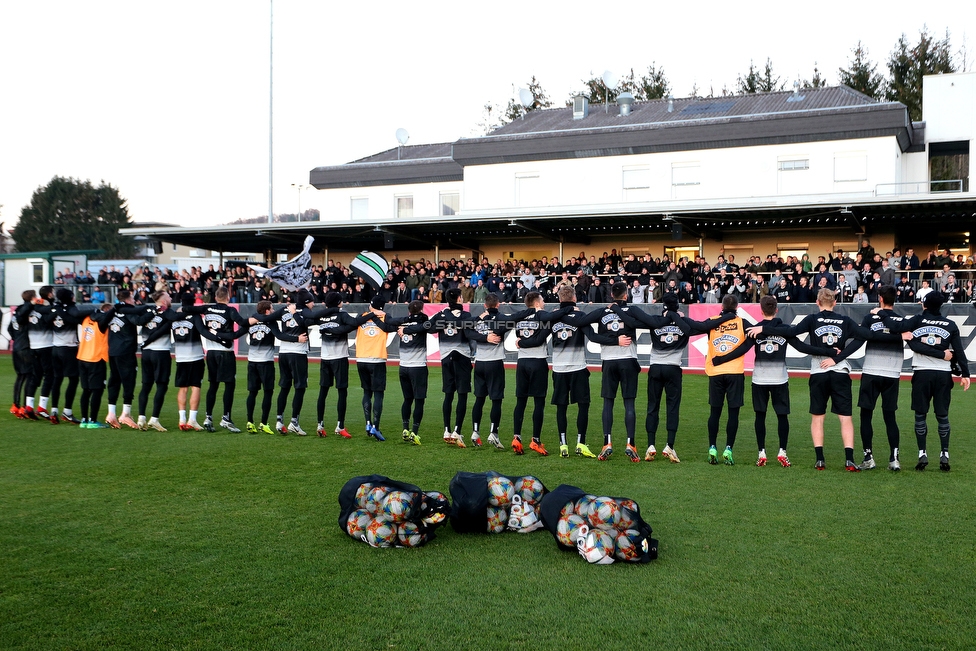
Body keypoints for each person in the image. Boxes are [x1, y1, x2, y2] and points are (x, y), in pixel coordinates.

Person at [748, 288, 872, 471]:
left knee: (818, 417)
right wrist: (838, 357)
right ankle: (849, 459)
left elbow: (791, 332)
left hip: (819, 372)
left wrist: (763, 328)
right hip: (840, 372)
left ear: (817, 302)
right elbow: (863, 336)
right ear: (835, 303)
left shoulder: (812, 319)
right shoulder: (845, 320)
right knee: (845, 418)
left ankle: (820, 459)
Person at [716, 295, 832, 468]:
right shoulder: (784, 329)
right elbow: (803, 347)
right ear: (776, 309)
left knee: (760, 416)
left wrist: (721, 358)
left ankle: (761, 452)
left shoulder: (755, 329)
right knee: (782, 416)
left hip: (759, 380)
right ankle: (782, 451)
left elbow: (741, 349)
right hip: (780, 379)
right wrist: (827, 350)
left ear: (761, 310)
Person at [591, 282, 686, 462]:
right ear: (626, 295)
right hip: (628, 360)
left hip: (609, 362)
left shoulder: (602, 311)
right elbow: (652, 322)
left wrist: (610, 341)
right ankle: (630, 443)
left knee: (608, 403)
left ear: (612, 295)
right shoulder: (633, 310)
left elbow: (583, 327)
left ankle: (607, 442)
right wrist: (674, 316)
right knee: (629, 404)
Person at [878, 292, 971, 471]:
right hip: (943, 375)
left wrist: (881, 312)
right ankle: (944, 453)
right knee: (942, 415)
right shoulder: (950, 324)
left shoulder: (917, 320)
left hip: (922, 373)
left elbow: (895, 327)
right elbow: (959, 351)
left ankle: (922, 453)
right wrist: (965, 374)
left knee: (920, 414)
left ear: (924, 305)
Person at [400, 287, 474, 446]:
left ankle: (446, 429)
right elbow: (470, 332)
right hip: (462, 357)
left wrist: (406, 328)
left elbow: (428, 327)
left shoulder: (440, 315)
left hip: (446, 357)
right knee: (462, 395)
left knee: (448, 394)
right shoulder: (466, 315)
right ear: (460, 298)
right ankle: (457, 431)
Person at [504, 291, 572, 456]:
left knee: (520, 401)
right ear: (536, 303)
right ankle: (535, 440)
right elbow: (540, 338)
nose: (543, 303)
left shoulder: (520, 318)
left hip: (522, 363)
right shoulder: (541, 315)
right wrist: (564, 310)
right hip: (538, 362)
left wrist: (521, 342)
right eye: (542, 300)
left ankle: (516, 437)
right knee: (538, 403)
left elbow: (520, 337)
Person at [303, 291, 376, 438]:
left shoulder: (321, 316)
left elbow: (306, 321)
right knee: (342, 392)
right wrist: (371, 314)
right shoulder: (342, 315)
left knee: (323, 391)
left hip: (325, 358)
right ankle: (340, 426)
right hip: (340, 358)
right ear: (338, 302)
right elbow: (355, 324)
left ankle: (320, 424)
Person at [182, 287, 249, 432]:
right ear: (228, 297)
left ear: (216, 297)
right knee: (229, 385)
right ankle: (226, 418)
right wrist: (252, 322)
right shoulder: (230, 310)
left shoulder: (207, 308)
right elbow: (242, 323)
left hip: (211, 353)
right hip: (225, 352)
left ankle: (208, 417)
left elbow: (187, 308)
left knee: (213, 385)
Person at [855, 286, 907, 471]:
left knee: (866, 415)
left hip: (871, 371)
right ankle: (894, 459)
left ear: (880, 299)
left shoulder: (870, 317)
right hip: (892, 373)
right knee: (889, 416)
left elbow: (860, 337)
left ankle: (868, 457)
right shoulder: (900, 321)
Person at [249, 290, 314, 435]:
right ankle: (294, 422)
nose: (313, 304)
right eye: (311, 301)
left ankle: (279, 421)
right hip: (298, 353)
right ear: (306, 302)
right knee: (300, 387)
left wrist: (251, 319)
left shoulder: (284, 310)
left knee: (284, 386)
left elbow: (268, 317)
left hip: (283, 353)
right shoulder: (304, 311)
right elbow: (306, 322)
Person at [549, 285, 595, 458]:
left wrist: (521, 342)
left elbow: (539, 335)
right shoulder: (580, 315)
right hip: (578, 367)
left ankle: (563, 445)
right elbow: (593, 336)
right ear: (574, 298)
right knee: (583, 405)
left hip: (559, 368)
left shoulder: (553, 317)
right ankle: (581, 443)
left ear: (560, 299)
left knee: (561, 406)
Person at [105, 290, 159, 429]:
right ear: (128, 299)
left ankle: (111, 413)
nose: (135, 301)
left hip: (113, 351)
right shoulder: (128, 311)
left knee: (114, 380)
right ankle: (125, 414)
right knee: (128, 381)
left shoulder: (113, 311)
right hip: (126, 351)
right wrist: (152, 312)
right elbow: (139, 321)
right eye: (133, 299)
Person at [466, 294, 507, 449]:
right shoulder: (501, 318)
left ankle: (475, 432)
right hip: (494, 362)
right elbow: (505, 326)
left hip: (480, 363)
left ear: (485, 305)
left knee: (479, 399)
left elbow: (468, 332)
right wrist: (488, 337)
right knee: (496, 400)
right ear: (498, 305)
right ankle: (493, 433)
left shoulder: (478, 319)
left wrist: (483, 336)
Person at [134, 291, 177, 431]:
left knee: (146, 385)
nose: (171, 298)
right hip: (161, 352)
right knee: (161, 385)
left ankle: (141, 417)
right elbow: (172, 321)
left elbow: (139, 321)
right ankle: (154, 419)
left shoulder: (148, 310)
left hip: (146, 353)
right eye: (169, 296)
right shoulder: (167, 312)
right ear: (164, 300)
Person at [388, 300, 429, 445]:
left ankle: (405, 428)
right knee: (419, 400)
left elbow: (390, 321)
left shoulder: (403, 323)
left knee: (407, 399)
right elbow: (426, 322)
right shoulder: (423, 322)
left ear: (409, 311)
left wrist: (405, 325)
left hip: (403, 366)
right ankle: (414, 432)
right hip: (418, 366)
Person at [355, 295, 395, 441]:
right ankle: (375, 427)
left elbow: (355, 322)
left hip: (361, 358)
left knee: (366, 392)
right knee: (378, 394)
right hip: (377, 359)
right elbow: (390, 327)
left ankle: (367, 422)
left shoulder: (362, 316)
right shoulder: (386, 317)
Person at [44, 288, 85, 424]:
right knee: (73, 380)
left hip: (55, 348)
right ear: (70, 297)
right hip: (68, 348)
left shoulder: (55, 309)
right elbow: (75, 320)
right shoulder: (71, 310)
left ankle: (54, 410)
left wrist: (56, 309)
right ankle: (67, 411)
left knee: (57, 379)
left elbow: (46, 320)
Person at [76, 304, 114, 428]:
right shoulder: (102, 323)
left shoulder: (86, 319)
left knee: (86, 390)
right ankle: (92, 420)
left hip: (82, 357)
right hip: (96, 358)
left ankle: (84, 420)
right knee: (97, 390)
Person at [9, 291, 36, 418]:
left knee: (20, 376)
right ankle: (25, 407)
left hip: (17, 347)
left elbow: (10, 328)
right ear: (31, 298)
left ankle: (16, 405)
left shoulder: (18, 309)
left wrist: (16, 338)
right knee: (30, 376)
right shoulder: (26, 309)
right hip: (25, 347)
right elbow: (23, 316)